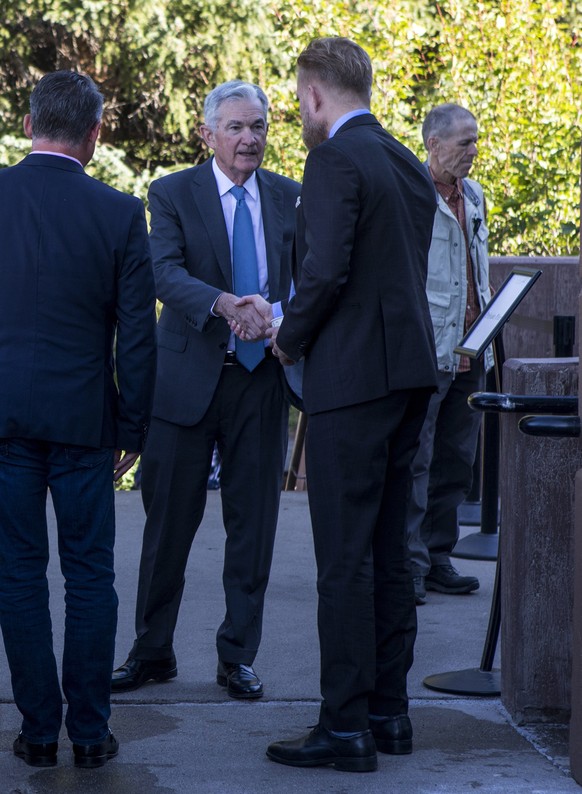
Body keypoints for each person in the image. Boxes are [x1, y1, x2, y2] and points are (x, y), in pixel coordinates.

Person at [266, 37, 438, 773]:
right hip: (407, 375)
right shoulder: (404, 159)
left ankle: (343, 727)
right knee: (390, 550)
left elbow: (326, 268)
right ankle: (388, 713)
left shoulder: (334, 157)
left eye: (299, 101)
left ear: (314, 95)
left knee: (344, 558)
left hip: (351, 380)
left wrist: (288, 336)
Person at [111, 81, 300, 699]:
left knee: (255, 526)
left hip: (261, 380)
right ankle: (152, 652)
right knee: (167, 527)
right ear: (207, 133)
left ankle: (237, 656)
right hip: (189, 381)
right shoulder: (170, 194)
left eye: (260, 127)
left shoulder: (289, 198)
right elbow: (163, 272)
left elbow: (306, 282)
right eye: (238, 127)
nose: (251, 139)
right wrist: (224, 304)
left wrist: (278, 319)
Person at [0, 71, 157, 769]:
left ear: (30, 120)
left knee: (17, 573)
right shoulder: (120, 212)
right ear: (95, 134)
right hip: (86, 422)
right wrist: (133, 427)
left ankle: (38, 733)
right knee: (91, 575)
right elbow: (137, 338)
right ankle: (89, 734)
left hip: (5, 418)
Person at [407, 104, 493, 606]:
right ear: (433, 145)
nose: (473, 151)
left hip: (471, 350)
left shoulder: (475, 195)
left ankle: (439, 558)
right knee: (417, 460)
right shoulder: (413, 196)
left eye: (475, 141)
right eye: (464, 142)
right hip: (429, 350)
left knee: (456, 462)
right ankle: (411, 565)